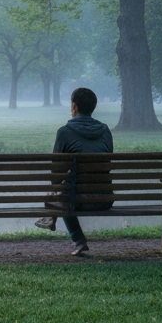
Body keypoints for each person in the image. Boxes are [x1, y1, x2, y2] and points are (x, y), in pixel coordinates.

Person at [35, 87, 113, 255]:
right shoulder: (105, 131)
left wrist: (56, 188)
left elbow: (56, 172)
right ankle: (52, 216)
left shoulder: (64, 132)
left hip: (75, 201)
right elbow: (108, 161)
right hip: (105, 199)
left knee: (60, 192)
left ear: (74, 107)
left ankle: (78, 239)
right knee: (63, 190)